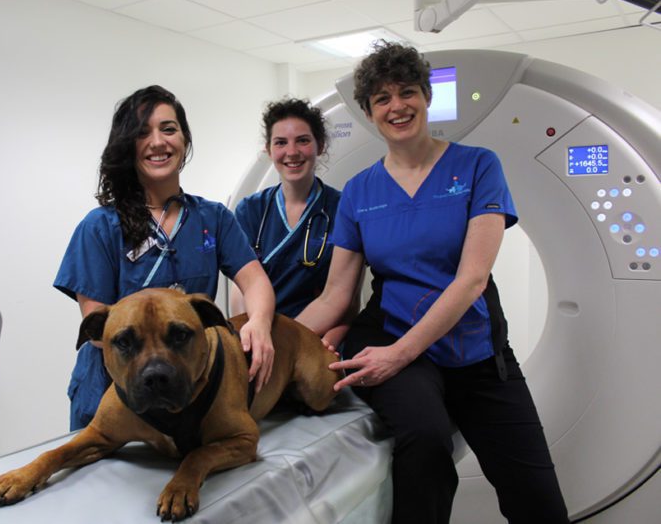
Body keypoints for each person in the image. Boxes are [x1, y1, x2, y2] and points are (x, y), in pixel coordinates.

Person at [295, 42, 569, 523]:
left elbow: (470, 281)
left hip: (475, 349)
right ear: (367, 112)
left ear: (426, 97)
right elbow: (336, 295)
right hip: (392, 334)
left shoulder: (478, 166)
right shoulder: (360, 190)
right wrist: (268, 341)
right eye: (382, 98)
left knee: (538, 499)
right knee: (424, 440)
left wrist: (396, 357)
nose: (396, 106)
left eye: (407, 92)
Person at [54, 85, 275, 431]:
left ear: (184, 139)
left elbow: (255, 280)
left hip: (187, 395)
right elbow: (99, 323)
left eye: (168, 129)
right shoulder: (99, 227)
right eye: (143, 133)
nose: (158, 142)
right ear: (128, 145)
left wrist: (259, 323)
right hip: (112, 397)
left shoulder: (212, 218)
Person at [231, 98, 354, 347]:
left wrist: (328, 340)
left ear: (319, 145)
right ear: (269, 150)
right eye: (281, 143)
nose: (292, 152)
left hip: (315, 337)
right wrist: (249, 337)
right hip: (258, 335)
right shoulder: (251, 210)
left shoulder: (343, 208)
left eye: (303, 140)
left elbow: (346, 299)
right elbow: (240, 292)